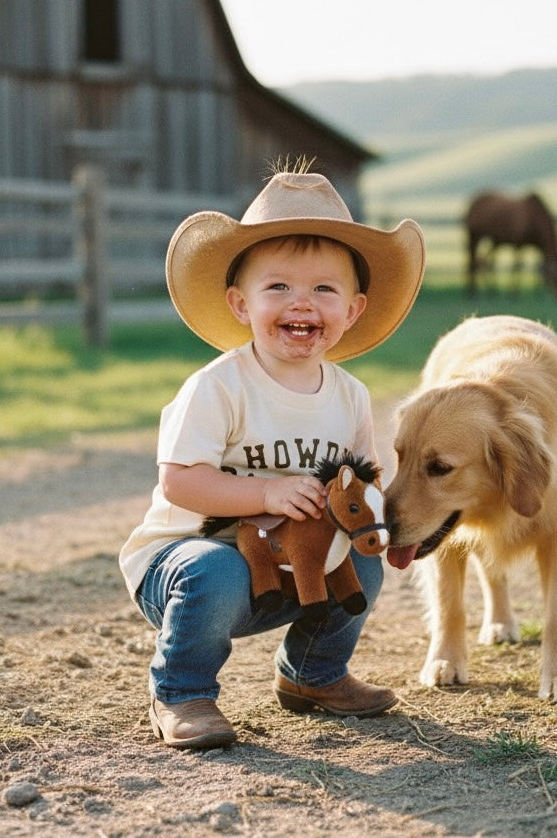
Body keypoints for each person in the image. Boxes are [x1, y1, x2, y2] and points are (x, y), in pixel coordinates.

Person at [119, 165, 425, 749]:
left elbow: (361, 483)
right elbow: (181, 481)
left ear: (353, 310)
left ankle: (313, 674)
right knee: (216, 570)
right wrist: (263, 494)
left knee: (361, 564)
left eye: (324, 289)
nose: (301, 303)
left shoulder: (350, 395)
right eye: (278, 287)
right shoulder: (219, 387)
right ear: (241, 303)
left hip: (295, 566)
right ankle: (181, 692)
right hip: (188, 567)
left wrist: (389, 523)